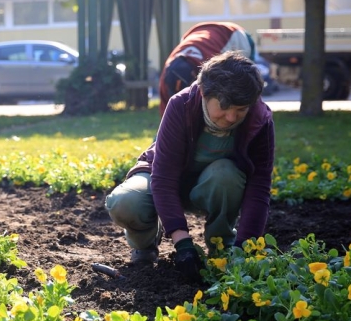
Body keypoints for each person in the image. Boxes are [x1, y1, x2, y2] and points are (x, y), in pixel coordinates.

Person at [106, 51, 274, 283]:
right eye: (224, 107)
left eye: (241, 109)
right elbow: (163, 179)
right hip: (162, 176)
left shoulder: (260, 119)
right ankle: (145, 246)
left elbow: (260, 185)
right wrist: (183, 246)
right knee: (125, 203)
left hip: (212, 185)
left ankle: (222, 247)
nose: (232, 117)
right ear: (205, 92)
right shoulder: (181, 105)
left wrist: (246, 247)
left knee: (227, 173)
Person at [159, 21, 253, 116]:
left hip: (234, 34)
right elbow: (166, 114)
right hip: (196, 32)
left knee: (246, 90)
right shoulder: (165, 78)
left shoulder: (212, 67)